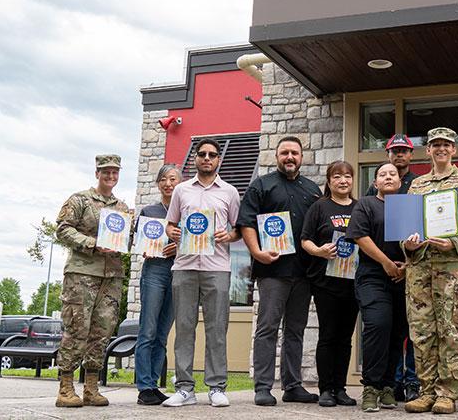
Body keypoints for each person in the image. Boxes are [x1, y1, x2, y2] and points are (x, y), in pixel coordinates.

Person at [402, 127, 458, 415]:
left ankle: (447, 393)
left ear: (454, 149)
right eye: (435, 144)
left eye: (446, 144)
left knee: (450, 328)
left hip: (453, 265)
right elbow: (406, 225)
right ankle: (425, 391)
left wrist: (456, 240)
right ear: (428, 150)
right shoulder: (417, 184)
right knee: (422, 330)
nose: (440, 149)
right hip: (421, 266)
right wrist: (408, 245)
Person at [238, 136, 323, 406]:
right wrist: (256, 252)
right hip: (272, 270)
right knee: (267, 328)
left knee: (295, 330)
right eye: (284, 152)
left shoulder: (312, 190)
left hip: (304, 272)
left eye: (294, 153)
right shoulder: (261, 186)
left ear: (302, 156)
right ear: (277, 156)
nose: (290, 157)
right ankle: (263, 386)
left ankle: (292, 385)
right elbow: (247, 223)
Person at [163, 139, 241, 408]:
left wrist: (227, 235)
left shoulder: (230, 192)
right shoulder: (181, 190)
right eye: (202, 154)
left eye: (212, 155)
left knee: (217, 329)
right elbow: (170, 224)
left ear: (219, 160)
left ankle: (217, 386)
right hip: (184, 266)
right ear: (195, 159)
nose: (207, 158)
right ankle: (184, 388)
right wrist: (171, 231)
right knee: (184, 328)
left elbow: (238, 229)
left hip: (217, 267)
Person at [54, 154, 131, 408]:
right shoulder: (80, 200)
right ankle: (66, 388)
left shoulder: (121, 208)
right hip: (82, 274)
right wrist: (92, 243)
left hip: (111, 276)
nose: (110, 177)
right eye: (106, 172)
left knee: (102, 331)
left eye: (115, 173)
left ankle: (91, 387)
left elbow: (127, 239)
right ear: (97, 173)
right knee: (77, 328)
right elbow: (63, 229)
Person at [347, 163, 409, 413]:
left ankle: (387, 387)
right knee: (378, 325)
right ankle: (371, 387)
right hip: (373, 276)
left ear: (400, 180)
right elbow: (361, 237)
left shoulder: (408, 206)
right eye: (382, 174)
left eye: (392, 174)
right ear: (375, 183)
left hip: (403, 277)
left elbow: (416, 239)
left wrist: (407, 265)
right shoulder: (366, 204)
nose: (387, 177)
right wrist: (385, 262)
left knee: (397, 331)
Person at [300, 160, 359, 408]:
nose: (343, 180)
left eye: (347, 176)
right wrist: (319, 251)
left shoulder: (360, 208)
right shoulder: (319, 207)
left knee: (345, 338)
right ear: (329, 181)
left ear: (352, 180)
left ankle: (340, 388)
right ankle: (325, 389)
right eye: (337, 177)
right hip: (325, 283)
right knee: (328, 335)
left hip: (353, 284)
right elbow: (305, 240)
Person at [365, 134, 418, 402]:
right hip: (378, 271)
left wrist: (407, 265)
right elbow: (365, 232)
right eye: (394, 151)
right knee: (384, 326)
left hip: (409, 270)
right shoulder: (370, 198)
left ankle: (410, 383)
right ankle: (389, 385)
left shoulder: (418, 186)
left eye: (403, 151)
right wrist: (386, 263)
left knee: (404, 330)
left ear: (411, 154)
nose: (399, 155)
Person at [135, 165, 181, 405]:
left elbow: (199, 240)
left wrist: (179, 246)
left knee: (162, 333)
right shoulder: (149, 210)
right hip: (154, 271)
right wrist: (146, 248)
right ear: (158, 183)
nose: (168, 183)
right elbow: (138, 241)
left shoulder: (187, 212)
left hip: (179, 271)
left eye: (173, 179)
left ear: (180, 182)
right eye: (163, 179)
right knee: (148, 330)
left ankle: (154, 383)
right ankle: (144, 386)